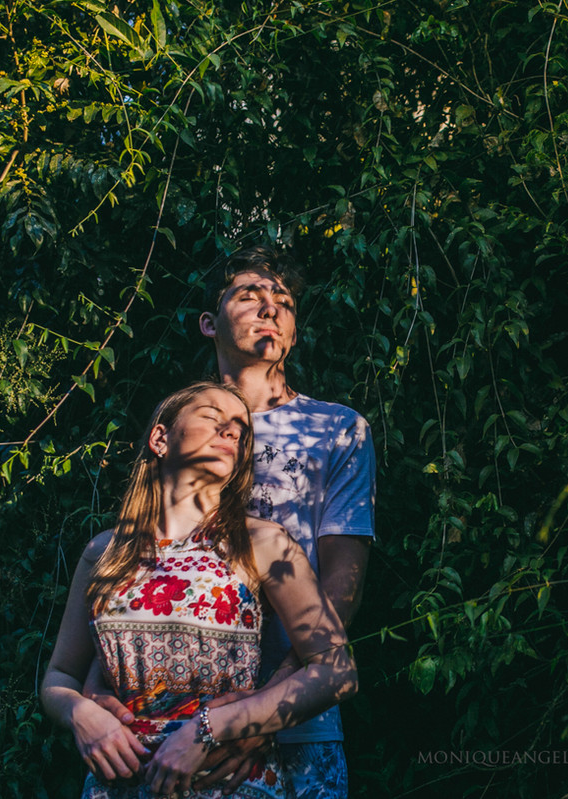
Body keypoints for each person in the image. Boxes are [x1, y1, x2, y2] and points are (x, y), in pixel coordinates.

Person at [87, 245, 376, 798]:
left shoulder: (337, 430)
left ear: (294, 330)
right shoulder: (187, 426)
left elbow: (344, 582)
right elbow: (135, 575)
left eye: (284, 301)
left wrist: (260, 710)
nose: (270, 308)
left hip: (299, 720)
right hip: (160, 728)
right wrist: (92, 693)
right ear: (208, 322)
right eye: (250, 295)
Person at [41, 382, 358, 798]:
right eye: (212, 417)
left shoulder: (262, 543)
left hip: (226, 783)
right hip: (119, 784)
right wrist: (81, 714)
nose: (231, 432)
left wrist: (212, 728)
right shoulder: (104, 552)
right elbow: (60, 675)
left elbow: (336, 671)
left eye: (240, 431)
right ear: (160, 438)